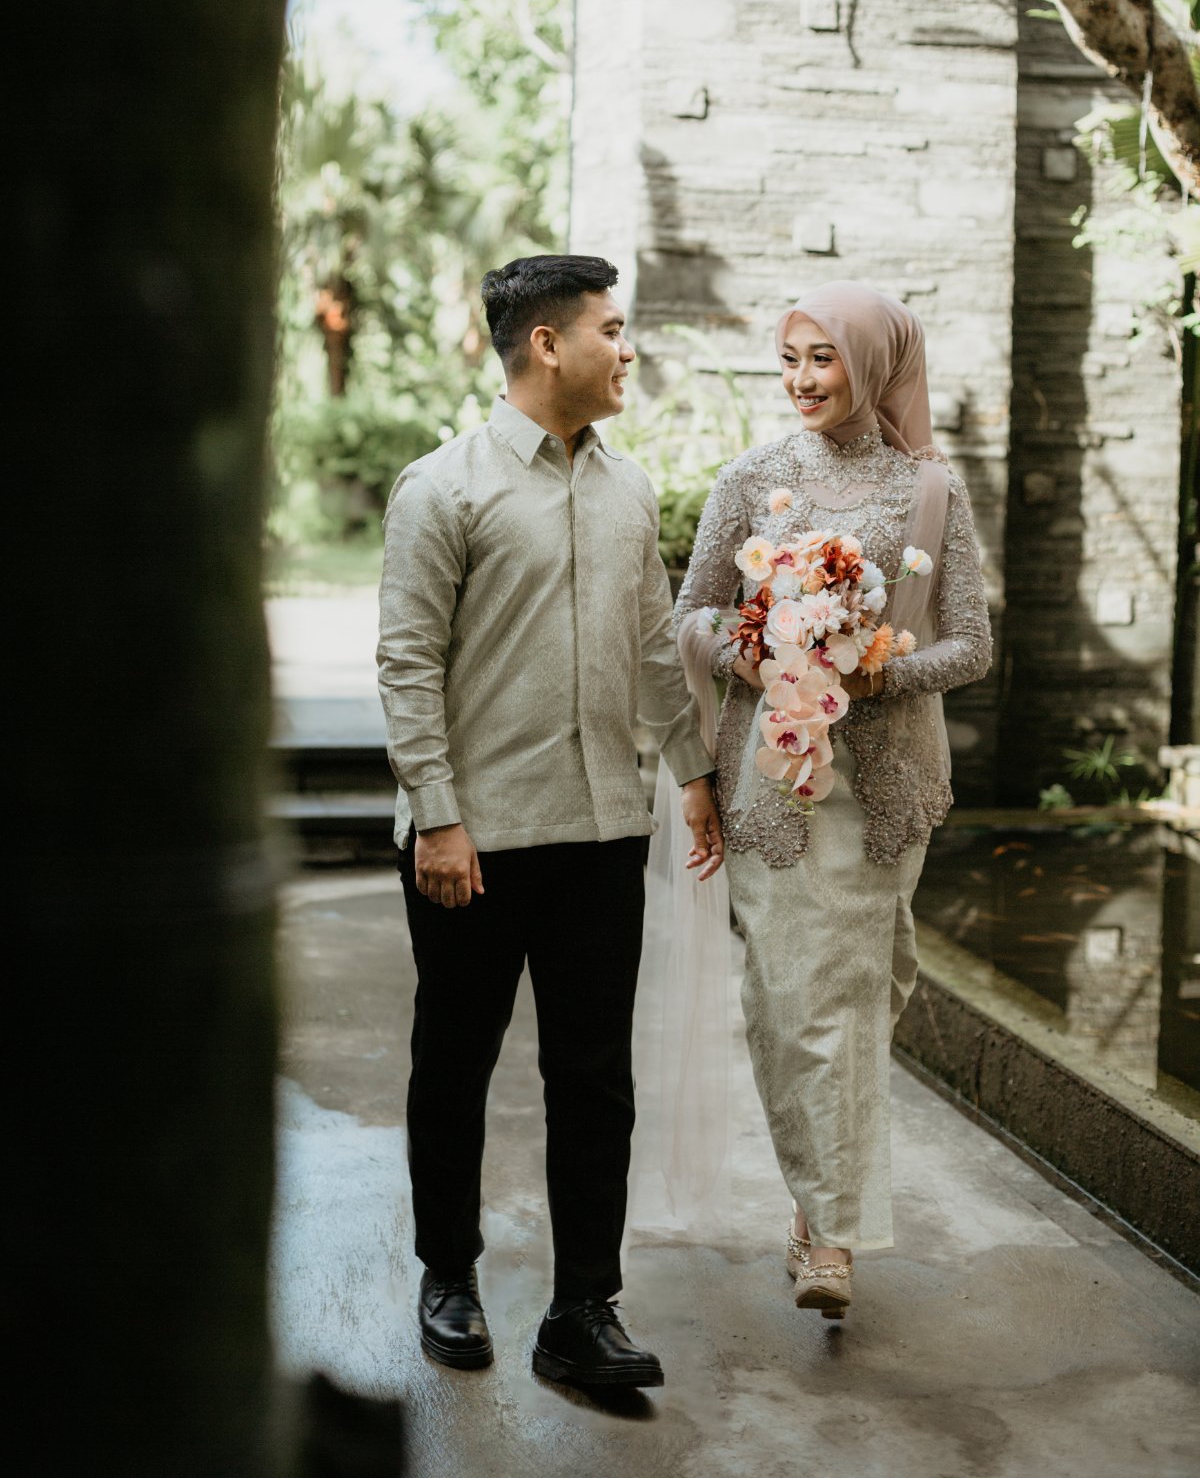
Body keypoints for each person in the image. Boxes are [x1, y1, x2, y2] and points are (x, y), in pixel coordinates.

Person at [377, 253, 724, 1388]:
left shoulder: (628, 490)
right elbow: (407, 663)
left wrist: (694, 772)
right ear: (547, 344)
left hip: (600, 834)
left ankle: (583, 1309)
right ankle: (448, 1274)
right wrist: (437, 818)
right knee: (454, 1067)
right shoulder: (442, 488)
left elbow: (655, 644)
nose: (627, 350)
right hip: (472, 843)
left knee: (595, 1081)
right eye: (611, 330)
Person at [671, 280, 991, 1319]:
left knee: (856, 998)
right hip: (774, 783)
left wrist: (872, 669)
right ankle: (824, 1218)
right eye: (791, 358)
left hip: (884, 787)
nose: (804, 379)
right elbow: (690, 616)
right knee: (786, 998)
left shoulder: (931, 492)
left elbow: (972, 646)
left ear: (877, 364)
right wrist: (764, 655)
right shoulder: (750, 480)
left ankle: (826, 1230)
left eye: (825, 358)